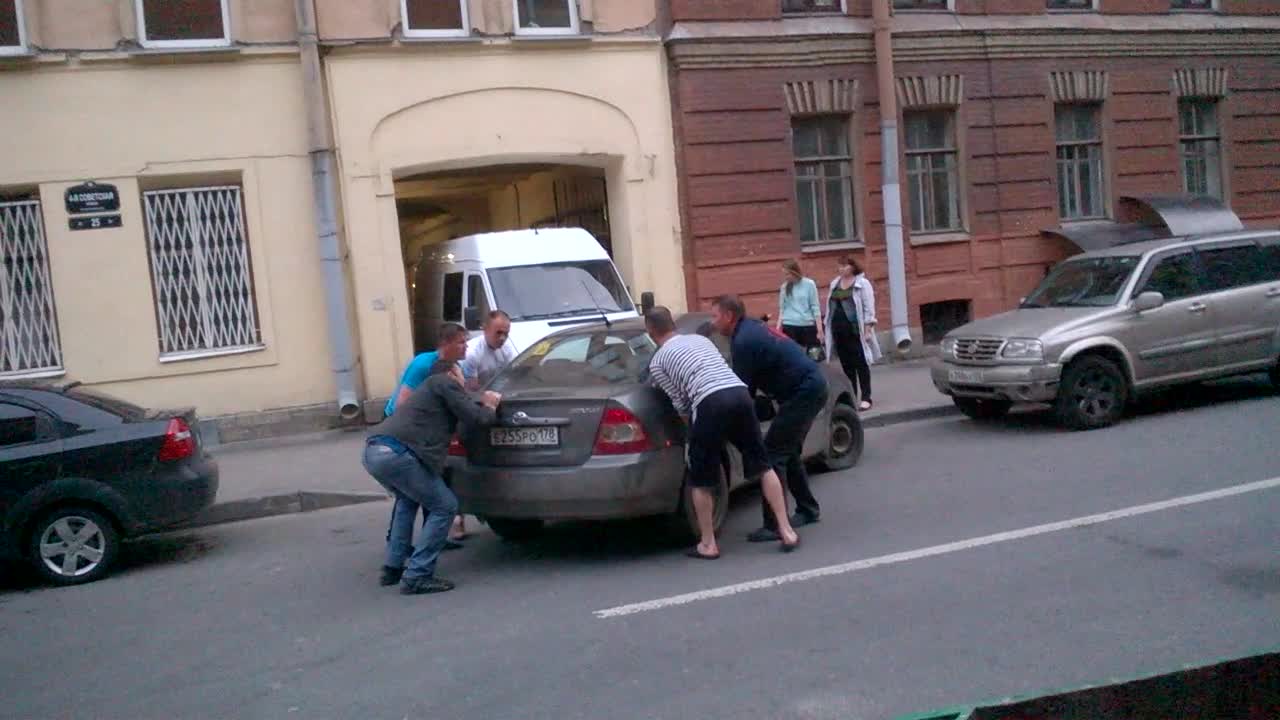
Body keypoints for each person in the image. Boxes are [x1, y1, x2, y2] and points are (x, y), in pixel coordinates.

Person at [644, 306, 800, 559]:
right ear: (672, 324)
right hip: (739, 393)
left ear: (650, 331)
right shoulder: (698, 339)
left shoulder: (658, 361)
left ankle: (708, 543)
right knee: (763, 465)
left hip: (709, 402)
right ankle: (786, 530)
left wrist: (691, 432)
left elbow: (680, 403)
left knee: (701, 478)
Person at [363, 359, 501, 595]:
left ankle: (393, 568)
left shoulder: (430, 393)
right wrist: (490, 405)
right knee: (445, 506)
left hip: (375, 451)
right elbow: (479, 419)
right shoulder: (443, 382)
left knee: (408, 500)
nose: (464, 381)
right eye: (461, 374)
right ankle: (418, 575)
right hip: (398, 454)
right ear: (450, 373)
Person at [711, 295, 828, 542]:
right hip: (808, 387)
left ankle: (774, 524)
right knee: (788, 451)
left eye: (715, 316)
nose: (713, 322)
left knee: (772, 455)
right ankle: (807, 508)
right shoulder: (750, 329)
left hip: (803, 392)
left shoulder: (743, 341)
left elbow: (742, 391)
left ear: (729, 316)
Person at [384, 323, 471, 548]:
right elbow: (402, 404)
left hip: (426, 432)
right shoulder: (424, 364)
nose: (466, 346)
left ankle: (432, 538)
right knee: (411, 492)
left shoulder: (455, 366)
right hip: (405, 432)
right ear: (446, 344)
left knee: (433, 483)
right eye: (461, 342)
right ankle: (398, 543)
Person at [824, 256, 881, 411]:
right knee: (847, 366)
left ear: (853, 267)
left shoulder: (862, 284)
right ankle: (852, 396)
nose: (841, 269)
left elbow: (869, 308)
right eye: (839, 266)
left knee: (861, 364)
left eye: (845, 266)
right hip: (838, 331)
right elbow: (830, 308)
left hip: (855, 332)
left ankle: (866, 397)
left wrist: (868, 329)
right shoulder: (835, 284)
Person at [460, 310, 519, 391]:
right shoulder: (472, 353)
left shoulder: (506, 348)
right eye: (498, 333)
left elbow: (515, 374)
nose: (503, 338)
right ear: (485, 329)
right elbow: (471, 389)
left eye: (506, 333)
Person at [776, 258, 822, 354]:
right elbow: (782, 309)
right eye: (784, 274)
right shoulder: (784, 287)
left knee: (814, 356)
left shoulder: (809, 284)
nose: (786, 277)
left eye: (787, 274)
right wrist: (777, 329)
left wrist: (820, 330)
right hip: (789, 326)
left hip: (807, 326)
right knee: (793, 357)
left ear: (795, 272)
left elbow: (815, 307)